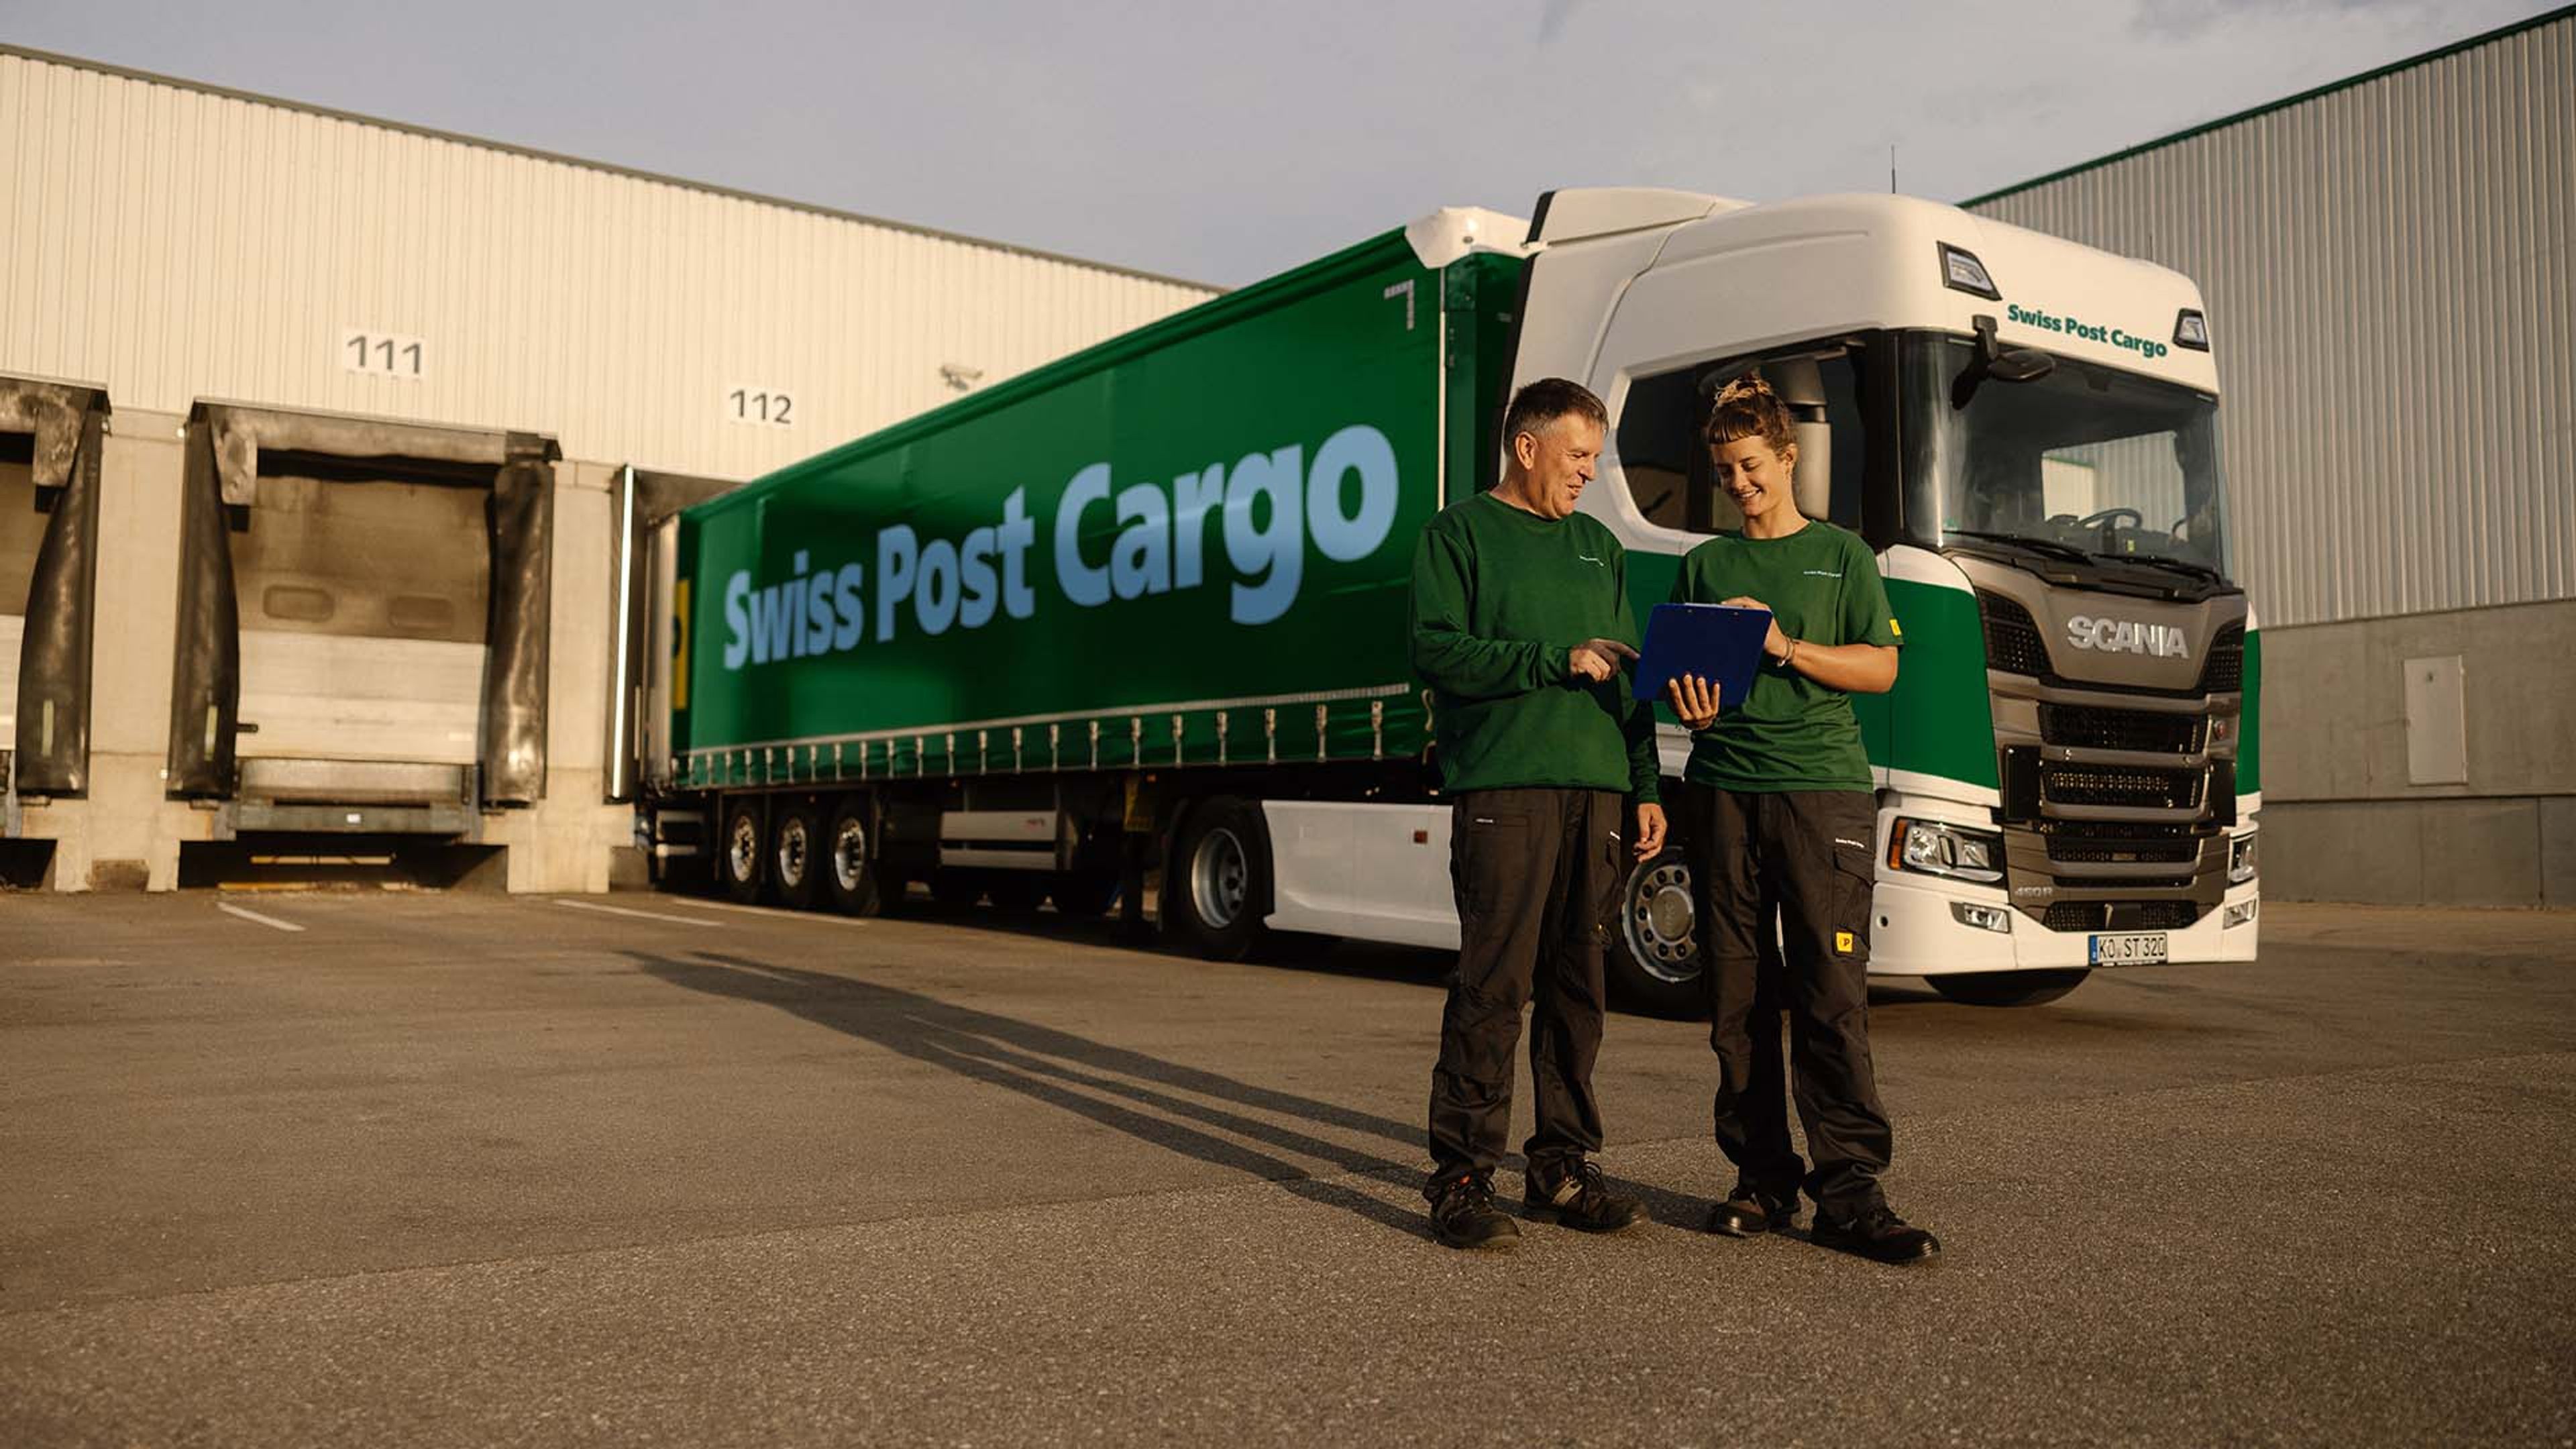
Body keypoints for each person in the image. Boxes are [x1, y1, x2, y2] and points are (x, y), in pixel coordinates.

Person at [1661, 374, 1939, 1265]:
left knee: (1829, 996)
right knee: (1737, 1000)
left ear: (1788, 458)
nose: (1738, 483)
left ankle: (1851, 1193)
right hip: (1724, 791)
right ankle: (1762, 1180)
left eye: (1750, 465)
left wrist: (1783, 643)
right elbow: (1689, 689)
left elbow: (1881, 670)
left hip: (1821, 793)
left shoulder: (1843, 556)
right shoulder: (1705, 566)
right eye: (1724, 470)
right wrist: (1693, 706)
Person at [1409, 377, 1666, 1250]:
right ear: (1528, 447)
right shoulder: (1459, 535)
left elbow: (1628, 677)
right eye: (1579, 456)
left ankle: (1561, 1167)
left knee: (1578, 992)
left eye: (1597, 458)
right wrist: (1554, 660)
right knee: (1493, 987)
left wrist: (1646, 786)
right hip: (1506, 789)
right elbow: (1438, 652)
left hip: (1596, 795)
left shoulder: (1601, 547)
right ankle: (1462, 1178)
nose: (1590, 474)